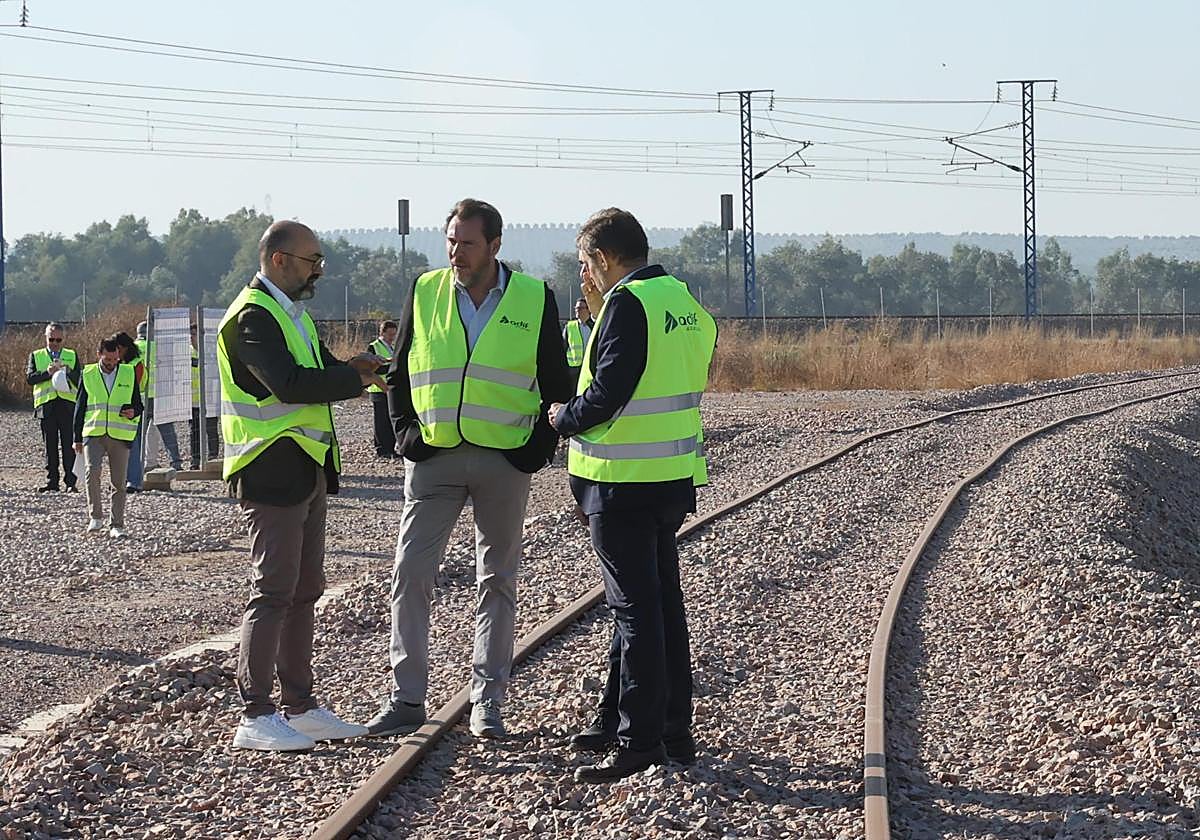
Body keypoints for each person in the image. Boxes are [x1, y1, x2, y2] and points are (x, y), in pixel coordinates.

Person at [366, 198, 571, 739]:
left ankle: (487, 700)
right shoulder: (425, 290)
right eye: (451, 241)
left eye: (467, 243)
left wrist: (538, 448)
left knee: (497, 580)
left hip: (505, 460)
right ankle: (407, 697)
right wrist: (406, 433)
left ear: (496, 246)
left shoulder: (535, 297)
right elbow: (399, 367)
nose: (456, 252)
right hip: (433, 457)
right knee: (410, 573)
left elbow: (555, 378)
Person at [549, 208, 717, 783]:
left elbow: (608, 394)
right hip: (670, 479)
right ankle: (665, 728)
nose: (583, 276)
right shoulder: (684, 304)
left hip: (621, 482)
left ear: (602, 258)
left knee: (635, 610)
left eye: (583, 264)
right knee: (660, 604)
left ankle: (639, 740)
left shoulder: (628, 304)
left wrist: (561, 418)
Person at [219, 219, 385, 752]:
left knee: (303, 590)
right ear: (278, 260)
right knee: (271, 591)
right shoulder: (252, 318)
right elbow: (289, 384)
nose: (319, 270)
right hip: (270, 467)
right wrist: (354, 377)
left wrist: (360, 369)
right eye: (312, 260)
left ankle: (300, 706)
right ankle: (255, 713)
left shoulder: (293, 315)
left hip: (305, 466)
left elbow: (319, 371)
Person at [73, 336, 144, 539]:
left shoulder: (128, 373)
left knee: (119, 481)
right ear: (99, 355)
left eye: (115, 360)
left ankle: (117, 524)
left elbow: (138, 404)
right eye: (107, 361)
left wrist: (133, 411)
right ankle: (95, 516)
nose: (112, 365)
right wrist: (76, 437)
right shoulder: (87, 373)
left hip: (120, 434)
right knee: (91, 471)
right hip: (93, 432)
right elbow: (80, 407)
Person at [27, 322, 82, 492]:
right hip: (47, 407)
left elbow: (79, 379)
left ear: (63, 339)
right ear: (46, 338)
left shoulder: (71, 355)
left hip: (67, 406)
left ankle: (71, 482)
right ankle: (52, 481)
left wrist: (67, 370)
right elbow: (30, 378)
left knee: (68, 446)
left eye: (58, 340)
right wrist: (47, 373)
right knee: (50, 446)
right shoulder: (36, 356)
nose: (55, 343)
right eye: (52, 339)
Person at [134, 321, 184, 473]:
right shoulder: (161, 347)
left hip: (141, 396)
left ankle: (137, 464)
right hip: (161, 395)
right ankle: (176, 462)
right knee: (168, 432)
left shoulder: (133, 349)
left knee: (138, 434)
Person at [111, 332, 147, 492]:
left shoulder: (136, 364)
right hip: (118, 407)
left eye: (118, 349)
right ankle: (123, 479)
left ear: (125, 348)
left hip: (133, 406)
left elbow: (134, 386)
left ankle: (134, 481)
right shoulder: (118, 363)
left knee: (133, 444)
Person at [189, 322, 221, 469]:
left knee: (211, 429)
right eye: (191, 334)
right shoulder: (187, 353)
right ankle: (195, 460)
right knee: (194, 432)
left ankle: (213, 458)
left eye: (195, 334)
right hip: (193, 401)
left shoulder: (211, 352)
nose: (192, 337)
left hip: (210, 398)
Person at [367, 320, 399, 459]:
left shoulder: (392, 347)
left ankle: (391, 448)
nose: (392, 337)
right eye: (390, 334)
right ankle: (382, 449)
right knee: (381, 421)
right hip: (377, 389)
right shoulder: (373, 347)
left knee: (390, 419)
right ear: (382, 332)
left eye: (394, 334)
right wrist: (392, 366)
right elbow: (373, 368)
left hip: (389, 388)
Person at [563, 297, 594, 394]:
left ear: (588, 310)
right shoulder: (569, 326)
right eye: (576, 308)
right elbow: (563, 347)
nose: (577, 311)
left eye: (580, 308)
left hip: (590, 367)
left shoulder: (594, 326)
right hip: (573, 369)